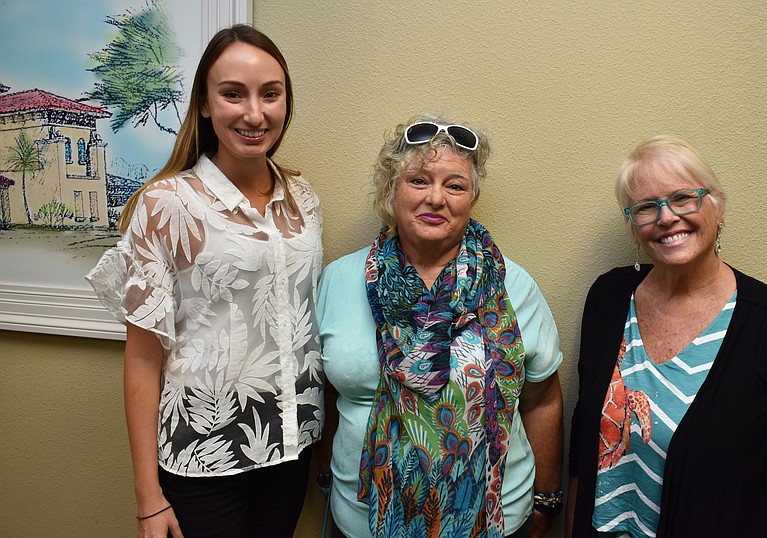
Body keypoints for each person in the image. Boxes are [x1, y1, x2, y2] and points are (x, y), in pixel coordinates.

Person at [86, 25, 323, 538]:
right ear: (205, 105)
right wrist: (148, 499)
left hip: (291, 444)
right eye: (233, 94)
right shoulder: (167, 204)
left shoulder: (302, 199)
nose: (255, 114)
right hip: (204, 454)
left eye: (270, 94)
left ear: (287, 103)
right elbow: (143, 357)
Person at [565, 135, 767, 537]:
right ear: (633, 229)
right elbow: (585, 438)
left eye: (684, 198)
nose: (667, 217)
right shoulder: (608, 298)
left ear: (718, 206)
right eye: (646, 208)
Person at [315, 114, 564, 537]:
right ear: (391, 189)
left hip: (495, 522)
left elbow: (542, 399)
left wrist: (546, 504)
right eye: (418, 180)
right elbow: (325, 392)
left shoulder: (513, 285)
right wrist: (326, 478)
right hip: (362, 522)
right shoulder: (338, 280)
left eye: (455, 185)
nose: (436, 198)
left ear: (473, 197)